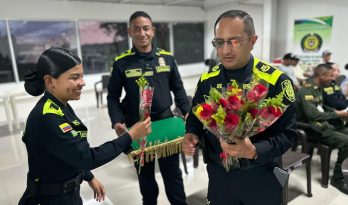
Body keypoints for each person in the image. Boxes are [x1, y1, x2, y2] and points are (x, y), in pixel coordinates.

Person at [182, 10, 297, 205]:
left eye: (234, 41)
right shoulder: (207, 81)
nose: (226, 50)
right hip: (220, 177)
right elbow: (195, 117)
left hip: (262, 177)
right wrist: (191, 133)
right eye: (220, 42)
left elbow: (290, 136)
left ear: (252, 41)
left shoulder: (276, 82)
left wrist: (254, 150)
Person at [18, 47, 151, 205]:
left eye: (82, 76)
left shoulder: (61, 105)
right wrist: (130, 136)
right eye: (74, 78)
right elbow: (86, 158)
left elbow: (68, 152)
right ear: (50, 81)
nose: (83, 83)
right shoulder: (47, 117)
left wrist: (88, 176)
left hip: (69, 193)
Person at [107, 11, 189, 205]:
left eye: (146, 28)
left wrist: (186, 111)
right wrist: (117, 121)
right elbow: (112, 96)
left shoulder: (167, 59)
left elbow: (178, 88)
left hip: (166, 123)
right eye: (136, 29)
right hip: (138, 128)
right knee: (145, 178)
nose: (142, 33)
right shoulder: (122, 62)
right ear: (129, 32)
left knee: (173, 175)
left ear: (152, 31)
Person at [295, 63, 348, 194]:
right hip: (311, 129)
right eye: (330, 76)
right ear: (321, 75)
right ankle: (337, 179)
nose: (333, 79)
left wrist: (335, 111)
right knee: (347, 142)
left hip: (323, 125)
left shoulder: (317, 88)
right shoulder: (306, 90)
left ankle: (344, 170)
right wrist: (336, 114)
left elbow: (322, 107)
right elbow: (312, 114)